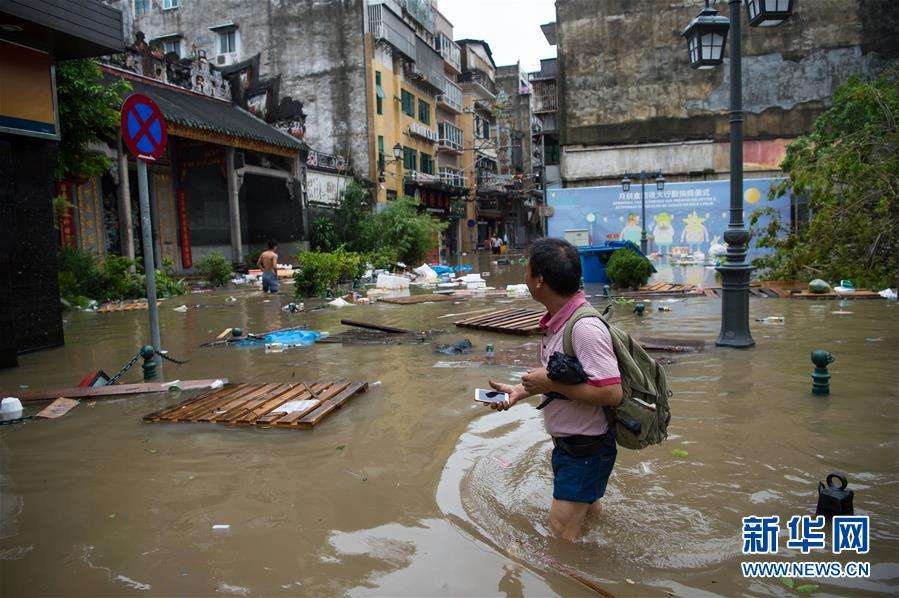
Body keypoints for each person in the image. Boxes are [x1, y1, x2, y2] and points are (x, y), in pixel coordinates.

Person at [486, 237, 622, 541]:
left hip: (585, 448)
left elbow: (612, 393)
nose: (524, 276)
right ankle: (598, 552)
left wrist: (548, 382)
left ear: (539, 281)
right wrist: (519, 391)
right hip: (573, 446)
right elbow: (566, 380)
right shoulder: (558, 323)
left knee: (560, 536)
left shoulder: (584, 329)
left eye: (527, 270)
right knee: (587, 520)